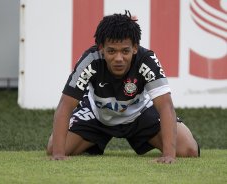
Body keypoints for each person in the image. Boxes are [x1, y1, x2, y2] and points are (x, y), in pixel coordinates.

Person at [47, 10, 200, 163]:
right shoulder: (90, 59)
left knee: (189, 150)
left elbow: (165, 105)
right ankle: (91, 141)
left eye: (125, 51)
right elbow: (65, 105)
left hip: (140, 114)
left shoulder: (146, 59)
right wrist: (59, 154)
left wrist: (168, 155)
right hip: (97, 115)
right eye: (111, 51)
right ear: (101, 48)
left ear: (135, 48)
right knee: (54, 148)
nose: (118, 58)